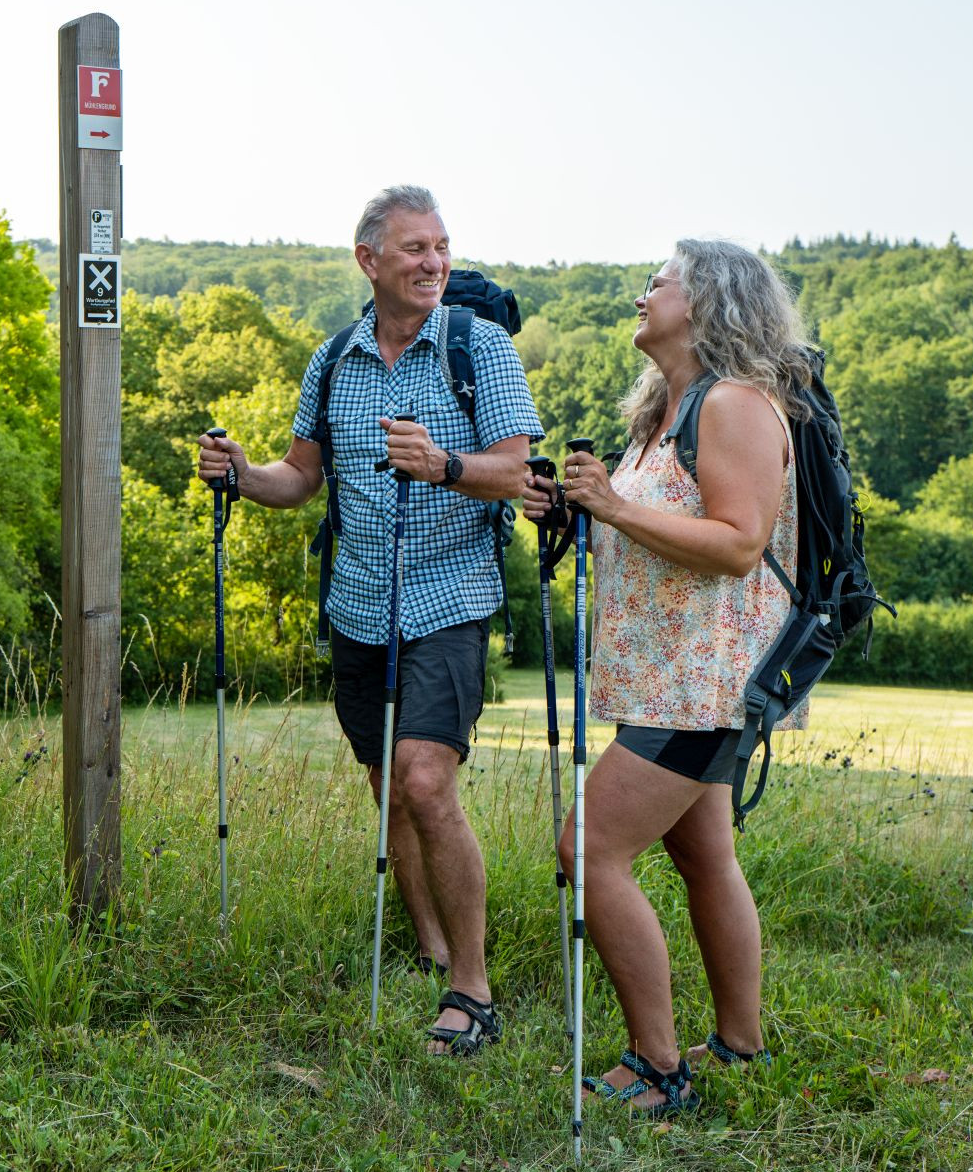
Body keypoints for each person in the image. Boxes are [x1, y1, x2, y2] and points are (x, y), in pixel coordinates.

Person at [198, 185, 542, 1055]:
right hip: (357, 608)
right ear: (369, 262)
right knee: (391, 785)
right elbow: (301, 478)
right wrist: (242, 472)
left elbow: (518, 473)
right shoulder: (334, 360)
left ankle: (473, 988)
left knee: (427, 780)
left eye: (441, 247)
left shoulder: (481, 348)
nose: (433, 263)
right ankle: (426, 945)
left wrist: (443, 463)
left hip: (448, 601)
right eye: (414, 249)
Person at [523, 239, 815, 1113]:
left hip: (708, 684)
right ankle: (738, 1046)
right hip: (667, 679)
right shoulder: (664, 409)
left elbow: (738, 542)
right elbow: (654, 531)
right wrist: (583, 514)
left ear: (709, 302)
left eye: (661, 280)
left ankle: (658, 1066)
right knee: (702, 853)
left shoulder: (733, 405)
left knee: (589, 850)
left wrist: (612, 503)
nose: (643, 292)